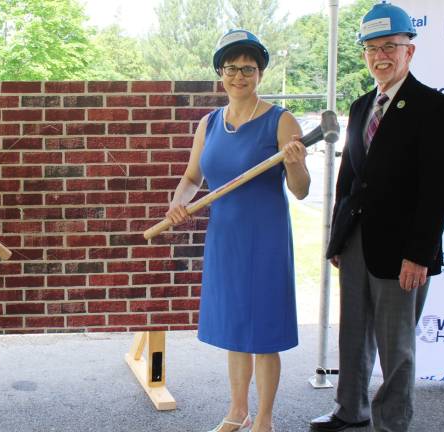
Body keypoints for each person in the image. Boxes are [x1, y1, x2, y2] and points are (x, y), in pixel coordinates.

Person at [310, 3, 444, 432]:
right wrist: (339, 240)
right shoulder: (361, 107)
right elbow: (349, 178)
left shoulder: (433, 108)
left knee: (396, 348)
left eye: (390, 46)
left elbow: (437, 192)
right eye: (372, 48)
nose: (381, 56)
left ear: (409, 51)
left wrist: (419, 255)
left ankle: (391, 423)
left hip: (403, 251)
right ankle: (349, 410)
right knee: (353, 335)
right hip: (357, 242)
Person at [166, 30, 310, 432]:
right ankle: (236, 411)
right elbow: (193, 177)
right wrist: (179, 201)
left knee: (262, 332)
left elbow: (301, 191)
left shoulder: (281, 120)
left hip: (264, 239)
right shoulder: (209, 123)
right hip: (225, 238)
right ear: (220, 73)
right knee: (234, 328)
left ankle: (264, 419)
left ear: (260, 73)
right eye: (231, 68)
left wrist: (295, 163)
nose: (239, 76)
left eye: (248, 68)